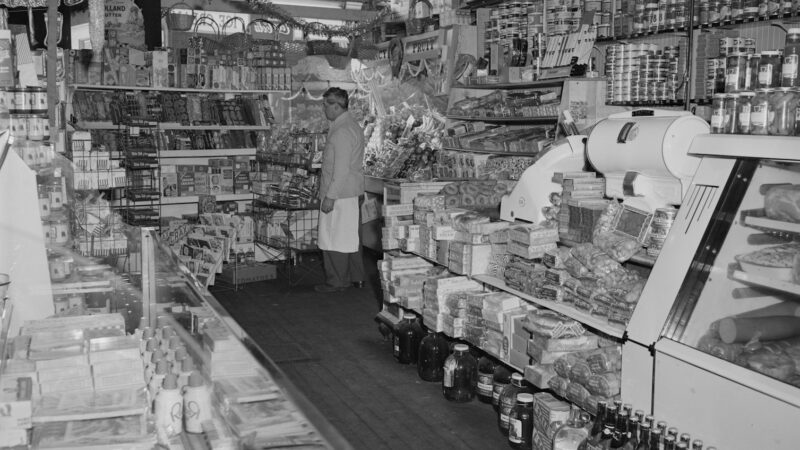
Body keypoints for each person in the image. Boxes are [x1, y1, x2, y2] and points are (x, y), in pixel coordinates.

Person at [315, 87, 366, 293]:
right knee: (351, 238)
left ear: (336, 106)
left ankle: (337, 281)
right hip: (351, 192)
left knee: (333, 237)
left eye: (326, 104)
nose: (323, 108)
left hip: (340, 193)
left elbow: (341, 169)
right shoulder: (350, 126)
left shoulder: (341, 131)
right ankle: (357, 277)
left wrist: (330, 197)